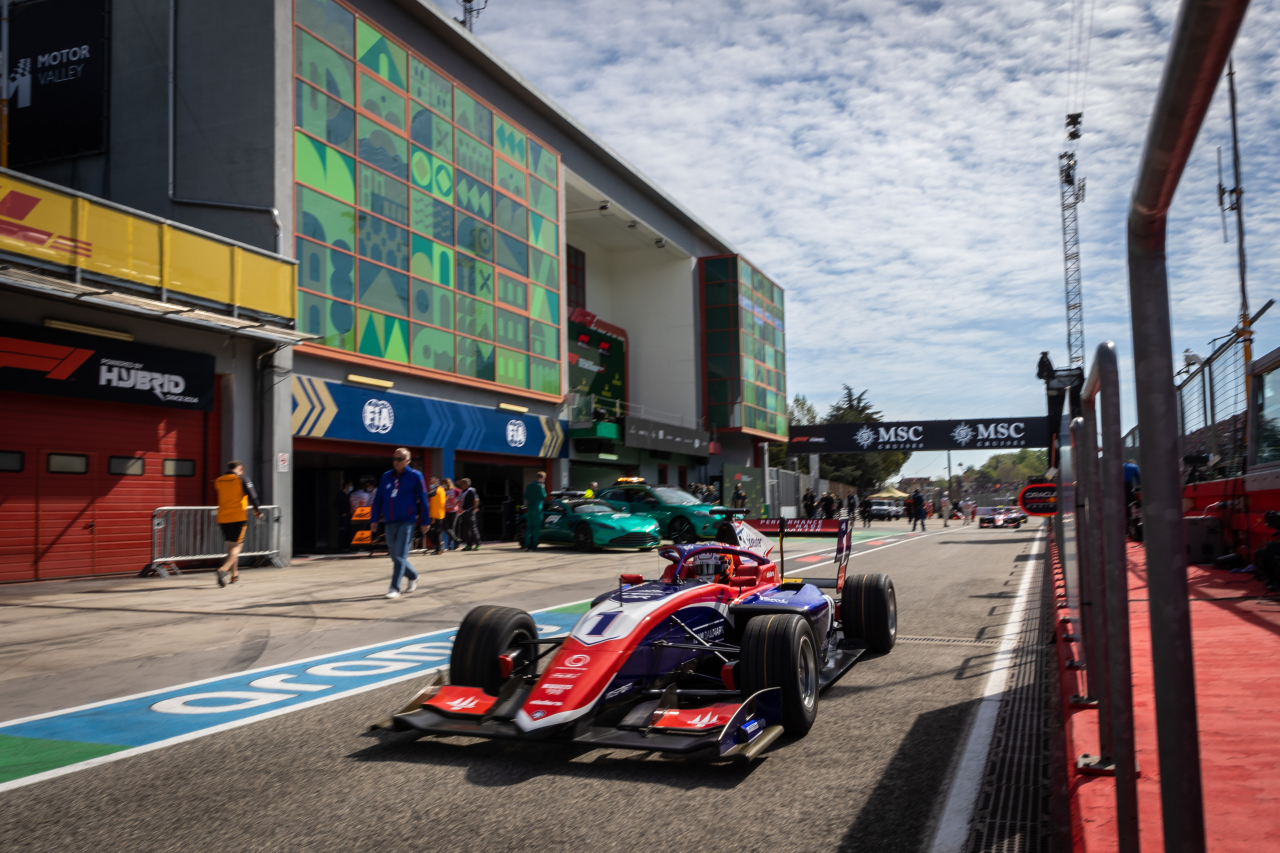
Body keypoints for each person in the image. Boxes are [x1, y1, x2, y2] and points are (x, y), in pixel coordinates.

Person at [369, 448, 428, 599]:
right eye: (394, 459)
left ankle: (394, 588)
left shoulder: (415, 476)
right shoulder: (386, 476)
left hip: (407, 521)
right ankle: (413, 575)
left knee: (400, 555)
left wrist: (425, 521)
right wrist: (374, 519)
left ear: (408, 461)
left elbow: (423, 499)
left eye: (400, 459)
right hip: (389, 521)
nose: (396, 462)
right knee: (395, 556)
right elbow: (378, 499)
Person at [214, 460, 262, 588]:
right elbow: (253, 496)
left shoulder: (219, 481)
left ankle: (234, 576)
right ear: (240, 469)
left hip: (223, 518)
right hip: (238, 517)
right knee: (237, 548)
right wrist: (258, 511)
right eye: (242, 470)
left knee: (231, 547)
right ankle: (223, 570)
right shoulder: (243, 479)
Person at [523, 471, 548, 551]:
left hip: (529, 508)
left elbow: (525, 496)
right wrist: (543, 488)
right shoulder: (540, 486)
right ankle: (534, 546)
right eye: (544, 479)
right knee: (536, 528)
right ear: (541, 478)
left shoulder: (529, 485)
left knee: (529, 528)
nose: (544, 480)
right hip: (537, 509)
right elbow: (544, 497)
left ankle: (527, 546)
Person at [458, 477, 481, 550]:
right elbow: (459, 501)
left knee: (473, 528)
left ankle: (477, 544)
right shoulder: (461, 492)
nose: (460, 484)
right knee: (466, 529)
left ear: (466, 484)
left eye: (462, 483)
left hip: (469, 511)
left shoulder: (471, 490)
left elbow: (476, 500)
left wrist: (474, 508)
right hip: (463, 512)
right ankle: (468, 545)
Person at [426, 476, 447, 555]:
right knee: (437, 532)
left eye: (432, 483)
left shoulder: (437, 490)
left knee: (434, 532)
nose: (430, 485)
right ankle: (439, 547)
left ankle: (438, 549)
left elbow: (430, 494)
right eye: (430, 483)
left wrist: (421, 494)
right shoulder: (442, 489)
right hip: (439, 514)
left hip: (436, 515)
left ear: (436, 483)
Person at [333, 480, 353, 552]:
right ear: (346, 486)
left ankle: (348, 546)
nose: (351, 487)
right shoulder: (340, 494)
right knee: (342, 531)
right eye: (350, 485)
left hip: (349, 515)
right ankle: (341, 547)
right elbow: (336, 505)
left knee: (348, 530)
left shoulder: (350, 494)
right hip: (343, 515)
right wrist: (341, 513)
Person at [441, 478, 460, 551]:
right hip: (445, 511)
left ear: (448, 484)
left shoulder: (454, 490)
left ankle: (450, 545)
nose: (443, 485)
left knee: (452, 528)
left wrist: (458, 504)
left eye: (444, 484)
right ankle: (457, 539)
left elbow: (461, 495)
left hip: (453, 511)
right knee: (446, 528)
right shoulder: (443, 491)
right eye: (442, 484)